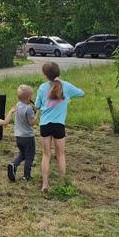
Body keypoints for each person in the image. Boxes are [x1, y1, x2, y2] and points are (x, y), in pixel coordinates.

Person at [35, 62, 85, 192]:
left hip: (45, 125)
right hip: (59, 125)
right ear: (58, 73)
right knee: (60, 155)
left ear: (45, 75)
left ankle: (45, 184)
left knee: (46, 155)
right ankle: (63, 183)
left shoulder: (41, 88)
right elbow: (82, 93)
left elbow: (37, 106)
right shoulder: (66, 86)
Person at [6, 84, 38, 182]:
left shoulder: (18, 105)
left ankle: (13, 164)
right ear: (28, 97)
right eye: (31, 96)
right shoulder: (28, 109)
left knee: (22, 154)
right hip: (28, 136)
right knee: (30, 156)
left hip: (18, 135)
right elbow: (32, 123)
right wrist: (37, 113)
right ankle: (26, 176)